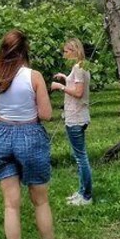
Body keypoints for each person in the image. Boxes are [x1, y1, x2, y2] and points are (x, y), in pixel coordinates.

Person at [0, 30, 65, 239]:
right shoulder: (34, 77)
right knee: (40, 200)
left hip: (2, 136)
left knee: (10, 204)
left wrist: (1, 116)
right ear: (24, 50)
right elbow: (46, 114)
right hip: (30, 135)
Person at [50, 38, 93, 205]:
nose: (64, 54)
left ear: (74, 51)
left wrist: (59, 86)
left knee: (81, 158)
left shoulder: (78, 67)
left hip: (76, 117)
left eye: (66, 51)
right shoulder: (81, 66)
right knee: (79, 157)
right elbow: (75, 84)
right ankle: (82, 191)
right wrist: (64, 78)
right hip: (77, 116)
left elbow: (78, 92)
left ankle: (86, 196)